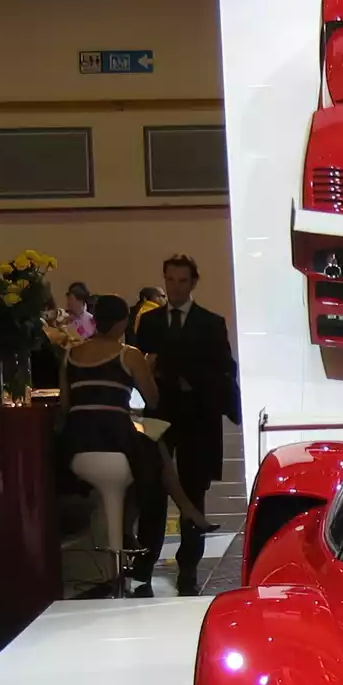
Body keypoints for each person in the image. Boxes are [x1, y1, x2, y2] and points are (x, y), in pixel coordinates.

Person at [60, 296, 215, 597]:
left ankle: (127, 535)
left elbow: (65, 405)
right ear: (123, 323)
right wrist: (149, 367)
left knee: (149, 447)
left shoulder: (70, 355)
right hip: (114, 439)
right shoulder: (128, 355)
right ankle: (185, 511)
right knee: (154, 444)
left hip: (77, 445)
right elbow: (153, 398)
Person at [133, 254, 240, 597]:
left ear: (193, 283)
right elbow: (139, 366)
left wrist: (191, 379)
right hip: (159, 413)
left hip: (196, 415)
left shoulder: (210, 323)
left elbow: (225, 368)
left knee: (194, 488)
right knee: (152, 488)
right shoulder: (149, 322)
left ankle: (189, 567)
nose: (175, 287)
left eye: (182, 281)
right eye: (170, 280)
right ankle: (145, 562)